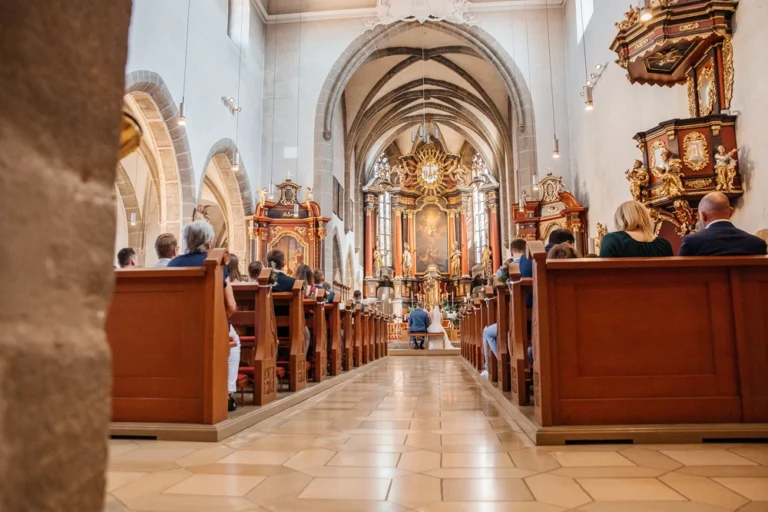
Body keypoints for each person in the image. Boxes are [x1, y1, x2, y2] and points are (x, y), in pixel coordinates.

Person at [168, 220, 240, 412]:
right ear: (209, 242)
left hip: (177, 325)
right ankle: (228, 393)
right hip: (208, 325)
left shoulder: (172, 264)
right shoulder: (215, 266)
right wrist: (218, 318)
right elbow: (231, 305)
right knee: (234, 342)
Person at [679, 192, 768, 256]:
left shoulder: (692, 243)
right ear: (730, 212)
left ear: (703, 215)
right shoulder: (757, 244)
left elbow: (681, 277)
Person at [600, 200, 673, 258]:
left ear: (619, 219)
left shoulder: (612, 240)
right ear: (646, 217)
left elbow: (603, 274)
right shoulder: (664, 245)